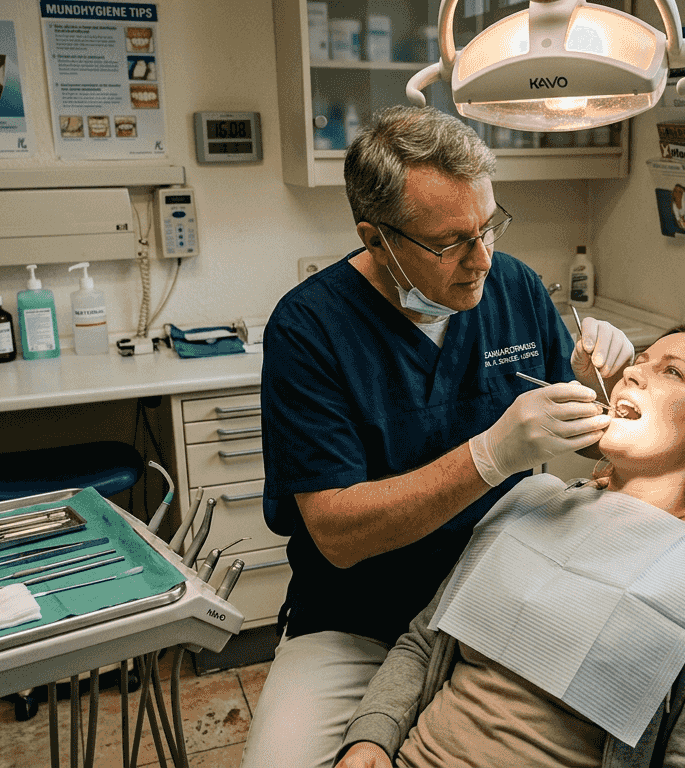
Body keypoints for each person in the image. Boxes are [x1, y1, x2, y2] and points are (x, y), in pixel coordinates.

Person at [244, 105, 638, 768]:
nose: (481, 258)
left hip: (503, 605)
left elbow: (594, 444)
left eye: (488, 226)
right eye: (449, 242)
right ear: (376, 238)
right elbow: (337, 537)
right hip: (358, 623)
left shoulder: (512, 286)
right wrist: (490, 457)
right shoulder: (308, 330)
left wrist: (605, 389)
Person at [334, 324, 685, 768]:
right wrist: (370, 740)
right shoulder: (533, 502)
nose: (631, 373)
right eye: (639, 361)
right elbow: (423, 644)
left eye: (672, 372)